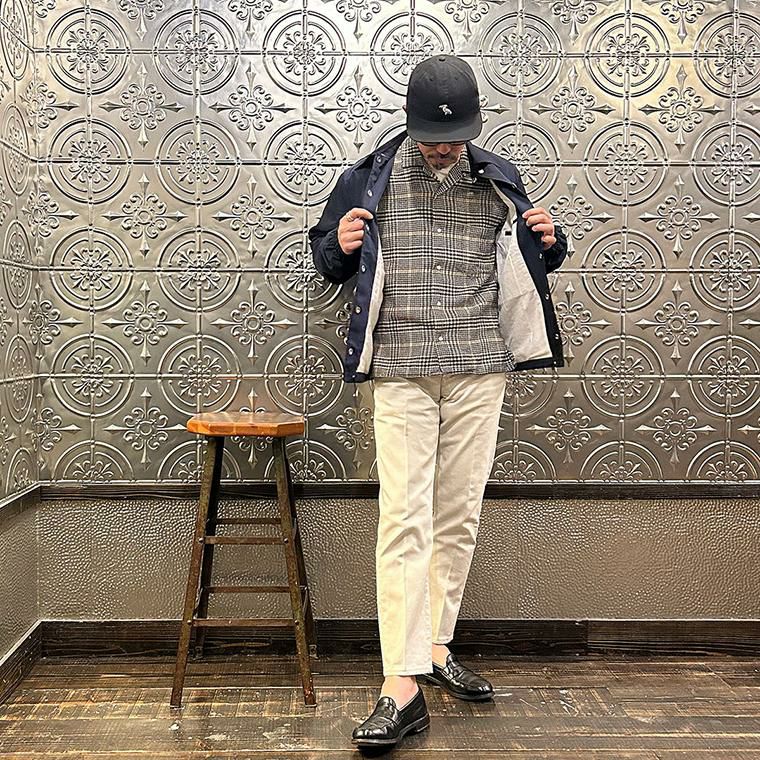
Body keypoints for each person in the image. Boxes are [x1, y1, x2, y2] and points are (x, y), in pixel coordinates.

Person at [309, 54, 567, 750]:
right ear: (410, 121)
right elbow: (325, 256)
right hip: (401, 370)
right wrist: (340, 244)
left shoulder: (498, 175)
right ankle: (400, 684)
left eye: (455, 137)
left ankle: (434, 646)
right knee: (403, 518)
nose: (444, 148)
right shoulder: (368, 176)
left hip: (482, 367)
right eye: (432, 137)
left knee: (458, 514)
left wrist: (551, 241)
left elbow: (532, 257)